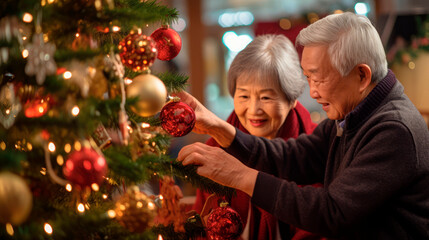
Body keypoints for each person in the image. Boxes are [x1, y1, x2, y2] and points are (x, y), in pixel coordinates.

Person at [177, 12, 429, 239]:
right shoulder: (352, 114)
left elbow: (332, 212)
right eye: (308, 78)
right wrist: (217, 127)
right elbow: (294, 156)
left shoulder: (394, 129)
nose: (313, 92)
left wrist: (239, 175)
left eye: (318, 79)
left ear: (361, 75)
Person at [192, 34, 322, 240]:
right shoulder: (215, 148)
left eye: (266, 97)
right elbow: (202, 225)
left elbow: (317, 227)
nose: (253, 110)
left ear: (293, 99)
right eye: (243, 96)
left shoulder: (316, 148)